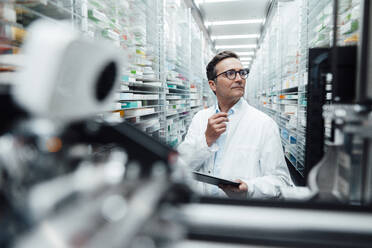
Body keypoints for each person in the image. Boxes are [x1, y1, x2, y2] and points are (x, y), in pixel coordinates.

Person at [177, 50, 293, 199]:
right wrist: (206, 140)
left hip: (240, 212)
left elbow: (281, 181)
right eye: (230, 73)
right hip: (203, 210)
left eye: (242, 73)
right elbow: (181, 165)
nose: (239, 79)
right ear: (213, 85)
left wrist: (249, 188)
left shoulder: (264, 124)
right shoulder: (200, 119)